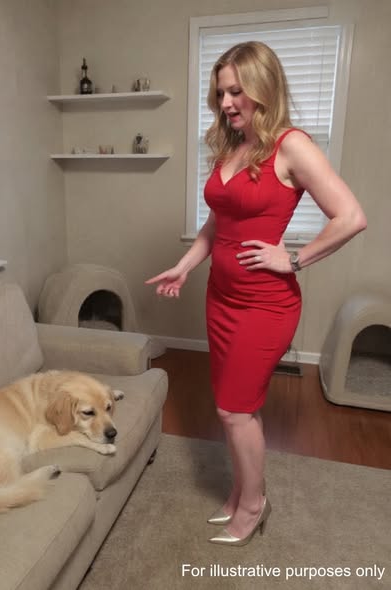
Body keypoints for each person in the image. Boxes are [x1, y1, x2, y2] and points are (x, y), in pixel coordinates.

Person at [145, 41, 367, 546]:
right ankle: (242, 490)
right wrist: (184, 267)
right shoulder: (234, 144)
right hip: (220, 298)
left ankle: (253, 504)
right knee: (236, 406)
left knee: (233, 409)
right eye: (220, 93)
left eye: (235, 92)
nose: (225, 103)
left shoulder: (291, 145)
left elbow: (352, 216)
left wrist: (294, 258)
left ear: (263, 88)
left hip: (265, 305)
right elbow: (216, 224)